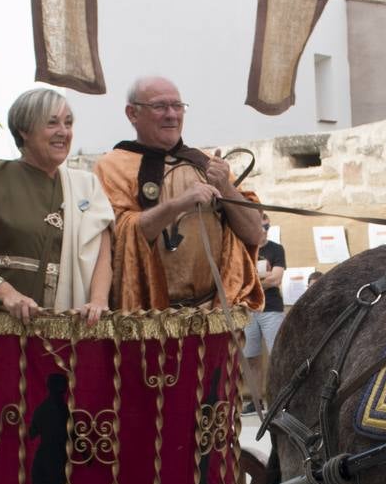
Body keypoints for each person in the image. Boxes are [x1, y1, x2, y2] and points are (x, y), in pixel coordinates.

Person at [94, 76, 261, 312]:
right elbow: (119, 239)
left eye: (178, 106)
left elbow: (255, 233)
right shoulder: (111, 166)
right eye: (160, 106)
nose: (172, 114)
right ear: (132, 113)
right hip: (147, 318)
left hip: (213, 315)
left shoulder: (207, 162)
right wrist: (177, 204)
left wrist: (226, 187)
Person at [0, 86, 116, 324]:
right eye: (52, 123)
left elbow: (102, 256)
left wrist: (99, 301)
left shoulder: (86, 186)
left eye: (68, 124)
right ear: (24, 130)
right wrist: (7, 294)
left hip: (67, 327)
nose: (63, 132)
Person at [242, 215, 287, 412]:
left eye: (265, 226)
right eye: (259, 226)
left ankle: (282, 399)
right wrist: (261, 278)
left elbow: (275, 279)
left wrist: (251, 283)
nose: (263, 230)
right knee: (251, 358)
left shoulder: (276, 249)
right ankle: (256, 400)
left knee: (278, 354)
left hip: (271, 309)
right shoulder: (244, 249)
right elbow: (238, 280)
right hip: (248, 310)